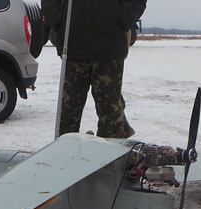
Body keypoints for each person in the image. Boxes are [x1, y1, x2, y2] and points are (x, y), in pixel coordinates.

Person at [42, 0, 146, 138]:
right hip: (73, 48)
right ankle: (64, 153)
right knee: (68, 113)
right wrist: (58, 21)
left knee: (110, 113)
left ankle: (109, 155)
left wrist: (122, 18)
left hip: (109, 51)